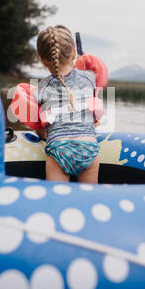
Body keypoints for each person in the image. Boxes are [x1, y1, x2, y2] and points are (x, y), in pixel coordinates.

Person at [35, 25, 101, 183]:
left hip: (58, 150)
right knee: (89, 198)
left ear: (42, 60)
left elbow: (41, 130)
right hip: (88, 148)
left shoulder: (42, 87)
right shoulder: (89, 79)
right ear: (74, 53)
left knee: (57, 199)